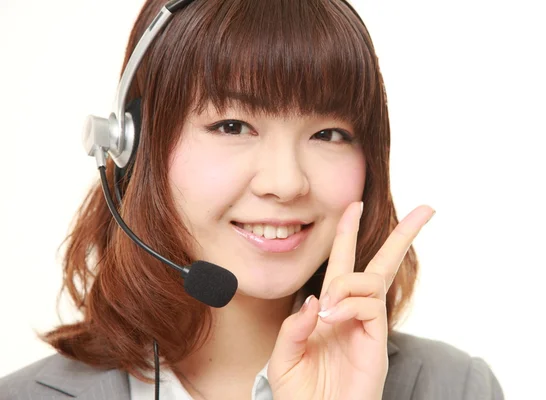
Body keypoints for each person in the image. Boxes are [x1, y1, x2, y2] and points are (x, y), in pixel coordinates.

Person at [0, 0, 503, 399]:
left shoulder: (457, 389)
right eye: (232, 125)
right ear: (133, 145)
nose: (286, 183)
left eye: (329, 133)